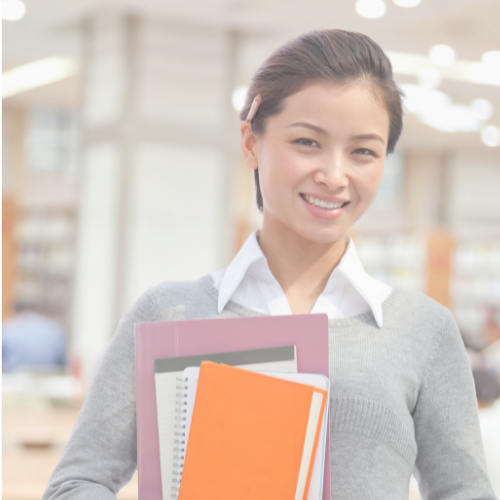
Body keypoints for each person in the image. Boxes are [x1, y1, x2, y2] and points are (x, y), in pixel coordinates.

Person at [42, 30, 496, 499]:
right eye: (307, 142)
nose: (334, 175)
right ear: (250, 142)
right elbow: (77, 483)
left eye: (363, 151)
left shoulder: (422, 330)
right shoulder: (168, 314)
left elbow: (466, 492)